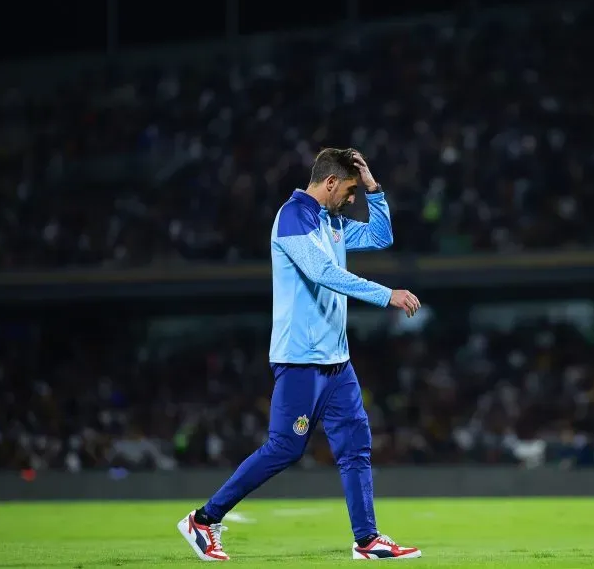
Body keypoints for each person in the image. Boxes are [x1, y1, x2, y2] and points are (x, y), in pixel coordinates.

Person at [177, 148, 423, 561]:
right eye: (347, 191)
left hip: (336, 361)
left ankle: (367, 540)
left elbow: (382, 236)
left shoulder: (331, 220)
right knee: (284, 448)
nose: (351, 199)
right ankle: (204, 518)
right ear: (328, 183)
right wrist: (387, 296)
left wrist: (372, 188)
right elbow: (323, 273)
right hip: (301, 359)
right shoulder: (292, 218)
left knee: (356, 447)